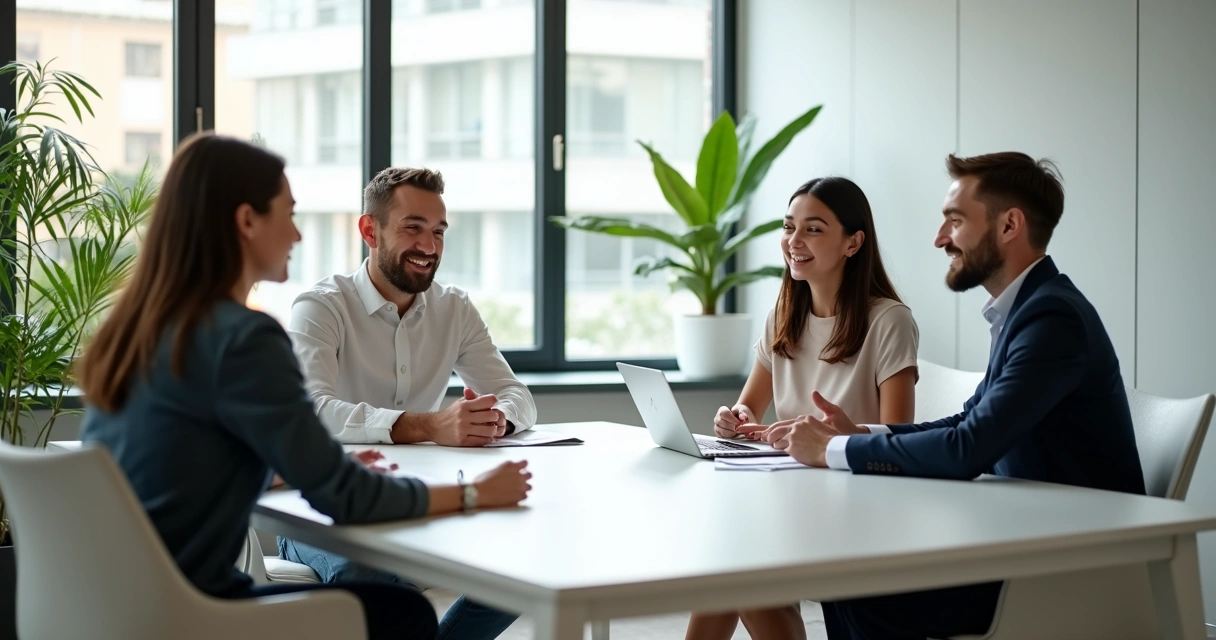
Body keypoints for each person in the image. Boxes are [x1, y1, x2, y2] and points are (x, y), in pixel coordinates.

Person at [76, 133, 533, 640]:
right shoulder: (245, 337)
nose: (296, 235)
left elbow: (181, 466)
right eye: (288, 215)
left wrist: (293, 468)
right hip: (196, 611)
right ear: (248, 221)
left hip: (120, 602)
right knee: (400, 612)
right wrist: (474, 494)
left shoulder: (143, 329)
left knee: (404, 601)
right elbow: (348, 499)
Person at [743, 152, 1145, 640]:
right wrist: (857, 433)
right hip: (1026, 538)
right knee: (850, 572)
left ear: (1009, 225)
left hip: (1065, 563)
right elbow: (966, 422)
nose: (939, 238)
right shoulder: (1026, 313)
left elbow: (968, 447)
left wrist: (832, 449)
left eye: (955, 221)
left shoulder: (1051, 319)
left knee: (856, 577)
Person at [280, 166, 534, 640]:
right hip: (320, 510)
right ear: (369, 230)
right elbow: (312, 413)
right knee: (382, 589)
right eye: (412, 228)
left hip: (421, 499)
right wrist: (428, 424)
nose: (429, 246)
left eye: (438, 232)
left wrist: (491, 420)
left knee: (527, 562)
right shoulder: (321, 306)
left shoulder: (453, 308)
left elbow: (518, 396)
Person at [685, 176, 919, 640]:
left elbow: (900, 435)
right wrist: (735, 418)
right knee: (733, 565)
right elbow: (748, 406)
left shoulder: (889, 321)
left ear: (853, 243)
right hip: (789, 491)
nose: (793, 242)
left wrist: (839, 435)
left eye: (813, 229)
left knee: (737, 564)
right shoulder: (783, 315)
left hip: (857, 500)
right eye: (789, 227)